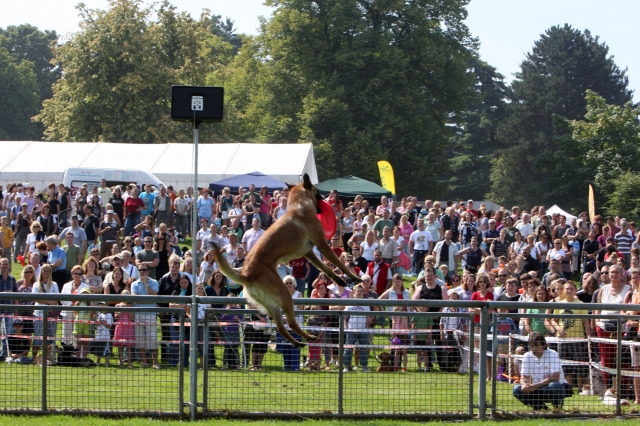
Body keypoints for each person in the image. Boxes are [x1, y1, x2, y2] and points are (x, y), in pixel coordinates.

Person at [513, 332, 567, 410]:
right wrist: (524, 384)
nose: (534, 348)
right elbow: (524, 376)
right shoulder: (527, 356)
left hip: (553, 387)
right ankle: (542, 409)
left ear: (544, 345)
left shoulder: (552, 354)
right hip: (536, 388)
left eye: (537, 345)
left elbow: (555, 377)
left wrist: (536, 385)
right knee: (517, 389)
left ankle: (557, 409)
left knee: (555, 386)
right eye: (532, 346)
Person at [131, 264, 160, 369]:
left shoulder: (154, 282)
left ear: (148, 271)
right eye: (140, 270)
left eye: (144, 270)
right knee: (140, 338)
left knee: (153, 338)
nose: (142, 272)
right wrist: (148, 300)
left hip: (151, 314)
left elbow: (154, 296)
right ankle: (144, 362)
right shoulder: (134, 284)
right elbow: (135, 299)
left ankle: (155, 363)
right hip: (138, 313)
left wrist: (146, 284)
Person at [31, 264, 60, 362]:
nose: (46, 273)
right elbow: (36, 298)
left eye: (48, 271)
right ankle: (34, 358)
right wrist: (48, 301)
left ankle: (50, 357)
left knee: (50, 337)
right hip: (39, 314)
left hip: (51, 315)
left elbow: (56, 299)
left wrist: (47, 301)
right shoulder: (36, 284)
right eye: (44, 271)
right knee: (38, 337)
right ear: (41, 272)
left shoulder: (54, 284)